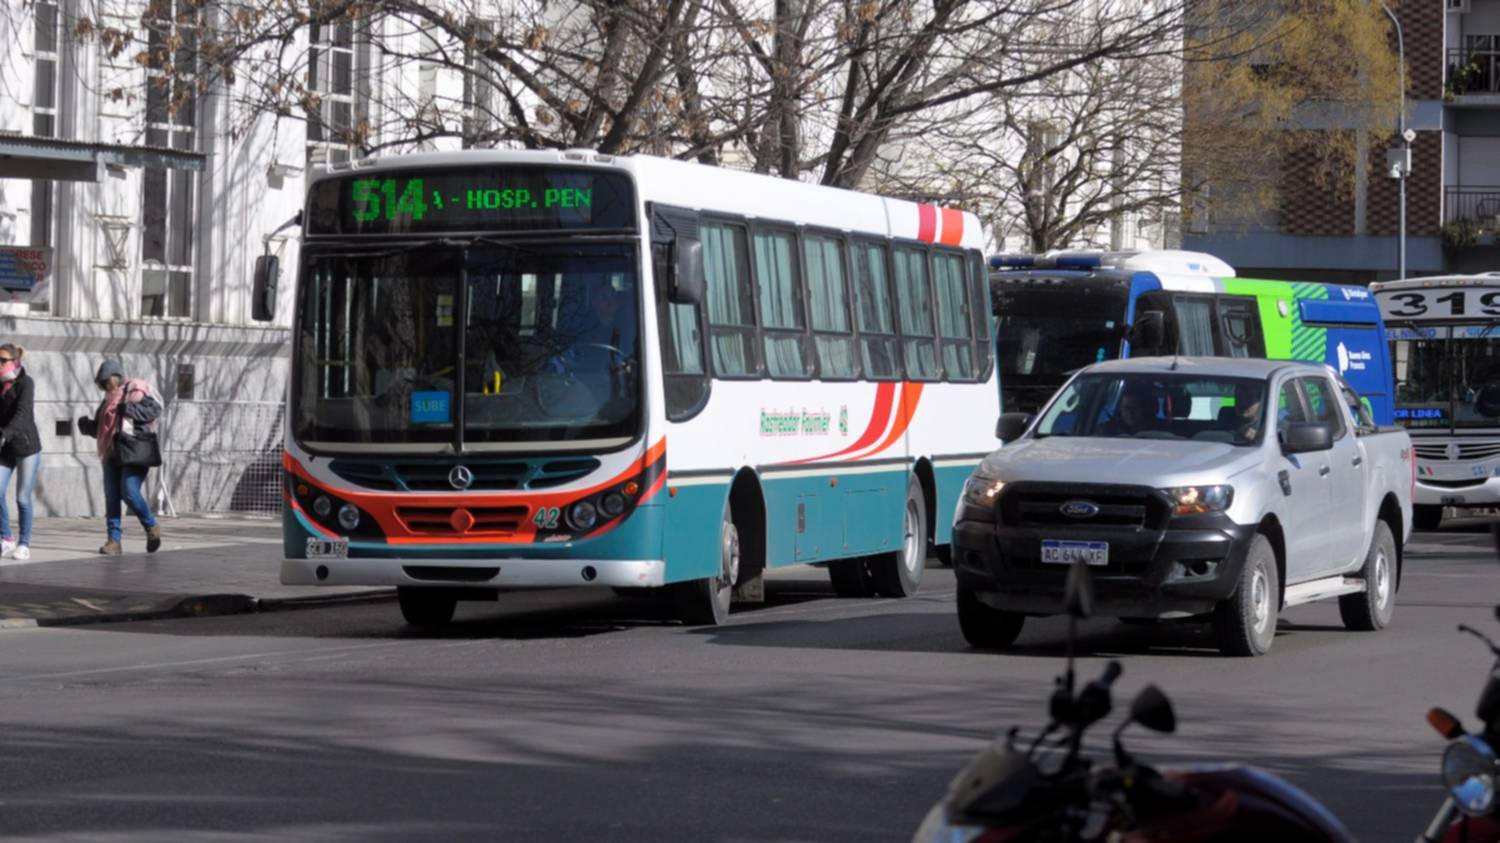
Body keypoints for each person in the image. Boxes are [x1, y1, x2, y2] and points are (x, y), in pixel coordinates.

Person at [77, 360, 163, 555]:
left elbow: (154, 411)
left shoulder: (135, 390)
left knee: (129, 491)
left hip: (135, 451)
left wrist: (129, 409)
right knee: (112, 497)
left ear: (116, 377)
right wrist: (87, 426)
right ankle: (113, 541)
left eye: (107, 382)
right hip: (112, 452)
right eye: (102, 384)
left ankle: (151, 526)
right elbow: (102, 429)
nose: (106, 387)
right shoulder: (108, 400)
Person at [0, 344, 41, 560]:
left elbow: (23, 413)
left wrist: (5, 433)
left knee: (22, 497)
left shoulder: (26, 382)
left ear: (15, 362)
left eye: (3, 360)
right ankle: (6, 538)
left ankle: (24, 544)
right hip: (5, 448)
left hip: (26, 447)